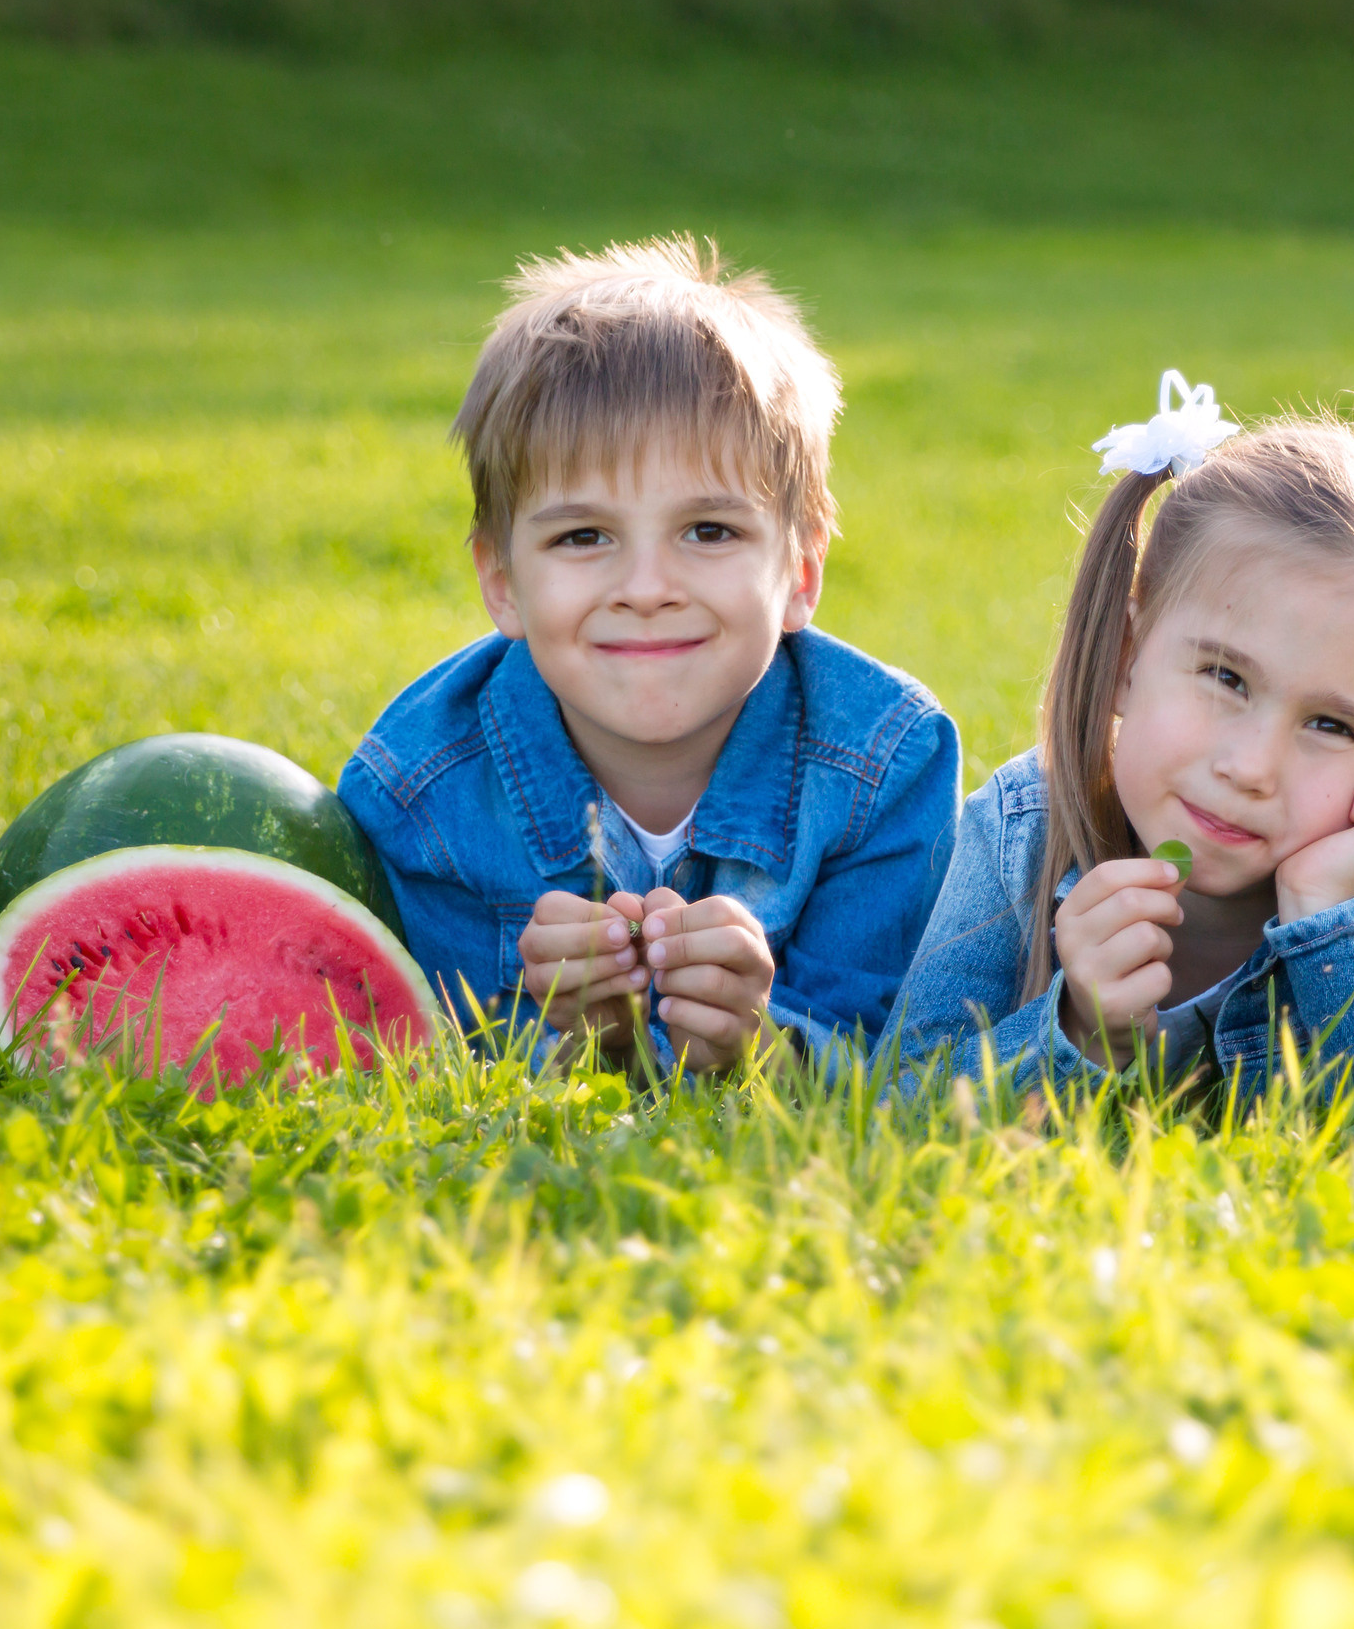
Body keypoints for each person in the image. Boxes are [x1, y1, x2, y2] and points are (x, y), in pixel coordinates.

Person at [884, 371, 1354, 1114]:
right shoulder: (1020, 827)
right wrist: (1079, 1033)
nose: (1249, 768)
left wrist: (1330, 921)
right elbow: (898, 1106)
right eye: (1226, 677)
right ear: (1124, 656)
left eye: (1331, 726)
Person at [340, 237, 959, 1073]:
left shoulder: (886, 765)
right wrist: (564, 1045)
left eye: (709, 530)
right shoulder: (419, 790)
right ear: (503, 583)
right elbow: (421, 1059)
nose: (646, 586)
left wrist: (761, 1045)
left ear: (801, 573)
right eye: (583, 535)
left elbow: (902, 1057)